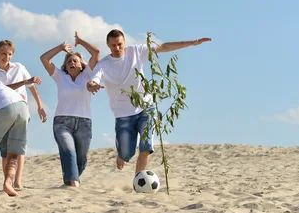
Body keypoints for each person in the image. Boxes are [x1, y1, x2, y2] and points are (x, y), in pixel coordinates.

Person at [87, 29, 211, 176]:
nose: (117, 48)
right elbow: (94, 79)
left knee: (146, 147)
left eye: (120, 44)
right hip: (123, 114)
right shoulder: (103, 64)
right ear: (108, 45)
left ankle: (138, 180)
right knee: (127, 153)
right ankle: (122, 155)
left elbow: (163, 47)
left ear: (124, 42)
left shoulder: (136, 51)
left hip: (146, 107)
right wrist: (92, 85)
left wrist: (192, 43)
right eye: (113, 45)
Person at [39, 32, 100, 187]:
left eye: (75, 61)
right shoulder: (60, 76)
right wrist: (60, 48)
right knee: (68, 151)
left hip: (84, 122)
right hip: (62, 122)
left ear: (81, 65)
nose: (72, 63)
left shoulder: (87, 74)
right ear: (65, 67)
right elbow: (44, 59)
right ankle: (73, 184)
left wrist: (80, 41)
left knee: (82, 160)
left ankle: (70, 181)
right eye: (69, 62)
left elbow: (96, 53)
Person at [0, 39, 47, 190]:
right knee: (5, 149)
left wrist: (40, 106)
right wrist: (25, 82)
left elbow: (32, 87)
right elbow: (3, 90)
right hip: (3, 112)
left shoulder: (19, 67)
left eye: (9, 54)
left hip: (21, 111)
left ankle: (18, 181)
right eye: (3, 53)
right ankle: (8, 180)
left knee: (19, 146)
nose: (6, 57)